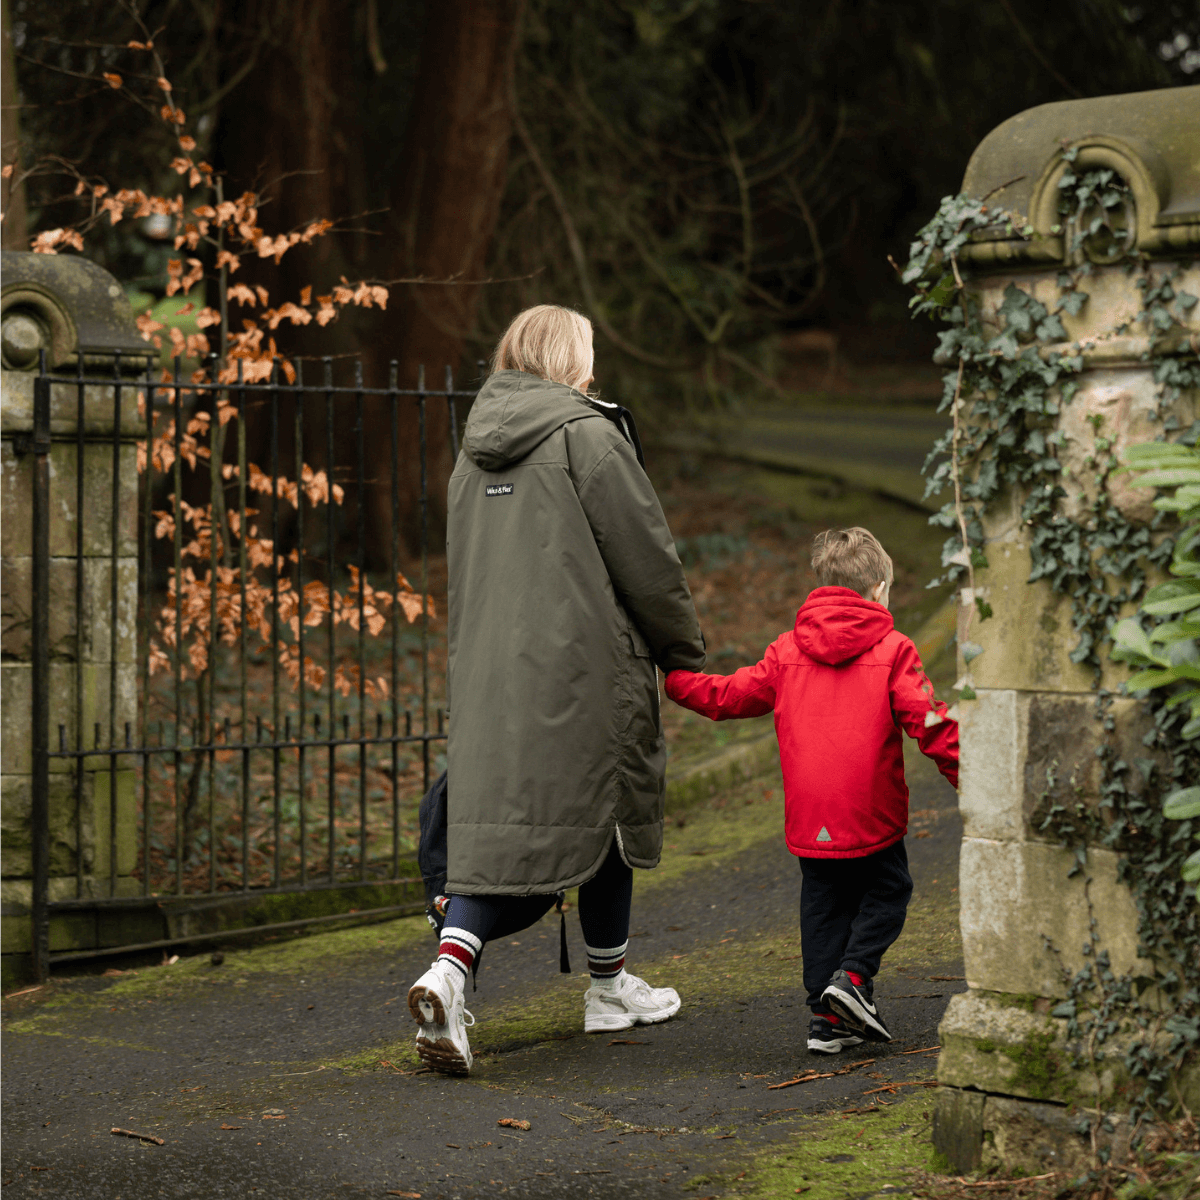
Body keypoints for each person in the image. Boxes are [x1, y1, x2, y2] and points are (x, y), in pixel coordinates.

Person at [406, 304, 706, 1075]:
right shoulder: (588, 436)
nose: (596, 370)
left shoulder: (470, 457)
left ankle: (465, 972)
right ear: (572, 358)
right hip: (585, 669)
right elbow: (645, 557)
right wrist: (681, 646)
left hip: (491, 676)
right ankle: (588, 989)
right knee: (605, 813)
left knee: (506, 828)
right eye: (591, 354)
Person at [663, 527, 958, 1055]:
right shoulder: (893, 649)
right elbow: (928, 722)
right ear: (880, 588)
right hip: (871, 812)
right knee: (888, 892)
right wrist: (971, 777)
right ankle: (855, 980)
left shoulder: (786, 650)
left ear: (821, 587)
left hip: (809, 817)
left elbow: (729, 695)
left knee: (823, 907)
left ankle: (826, 1023)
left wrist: (675, 680)